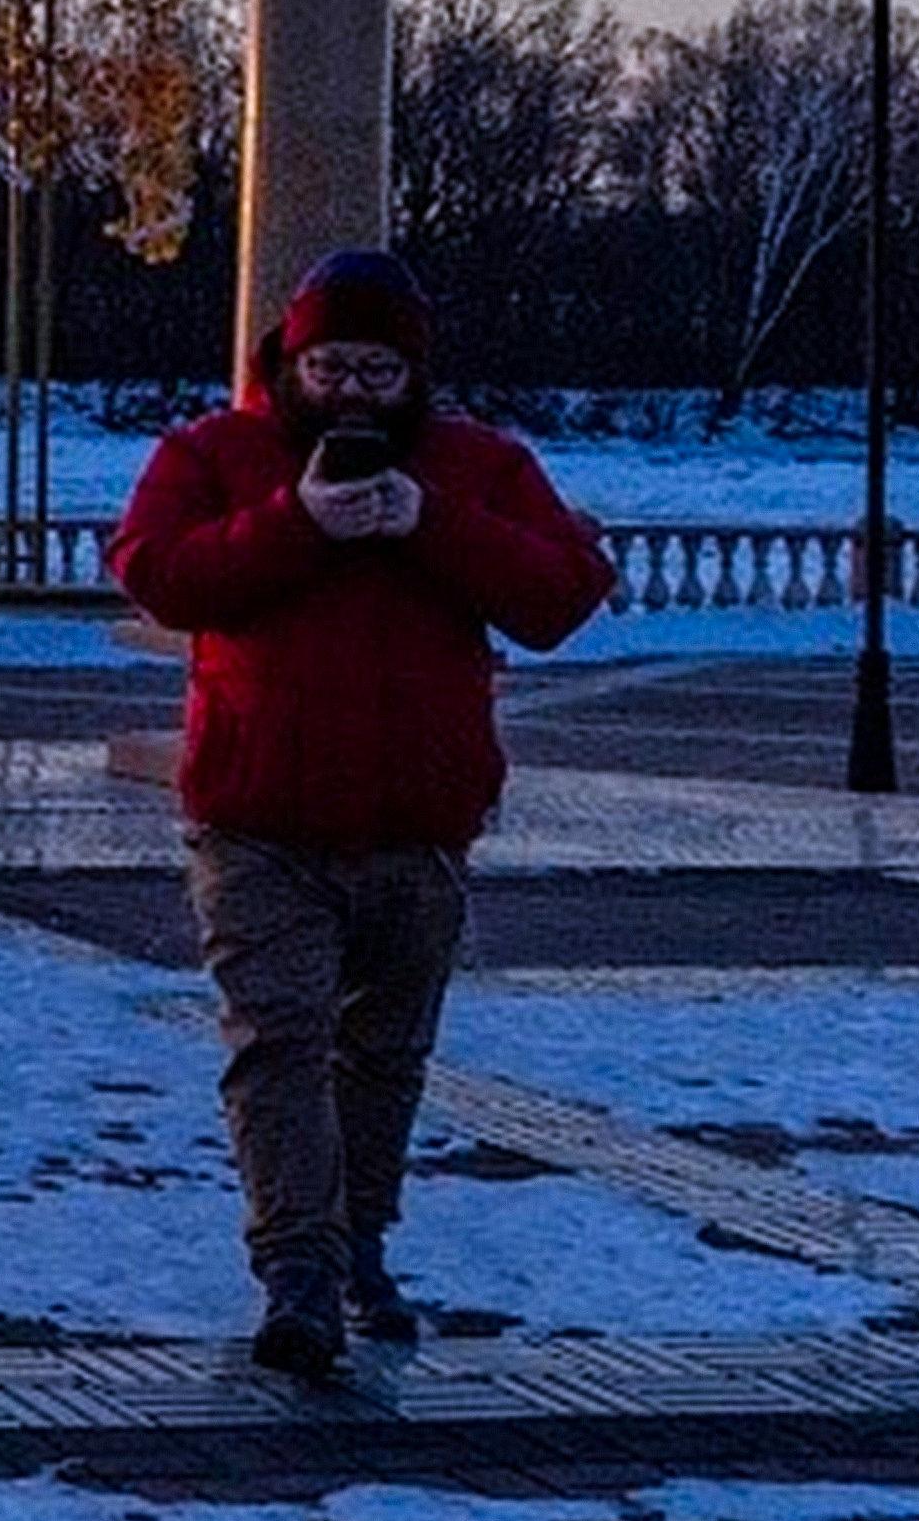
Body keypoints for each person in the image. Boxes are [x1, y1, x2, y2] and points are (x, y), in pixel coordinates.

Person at [109, 246, 612, 1378]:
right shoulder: (212, 453)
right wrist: (298, 523)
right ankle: (299, 1267)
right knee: (279, 1044)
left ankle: (360, 1245)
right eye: (329, 366)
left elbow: (560, 596)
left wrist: (429, 521)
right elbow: (157, 572)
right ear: (288, 360)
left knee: (383, 1056)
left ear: (415, 374)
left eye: (377, 372)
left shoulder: (479, 466)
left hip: (418, 823)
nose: (350, 392)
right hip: (259, 819)